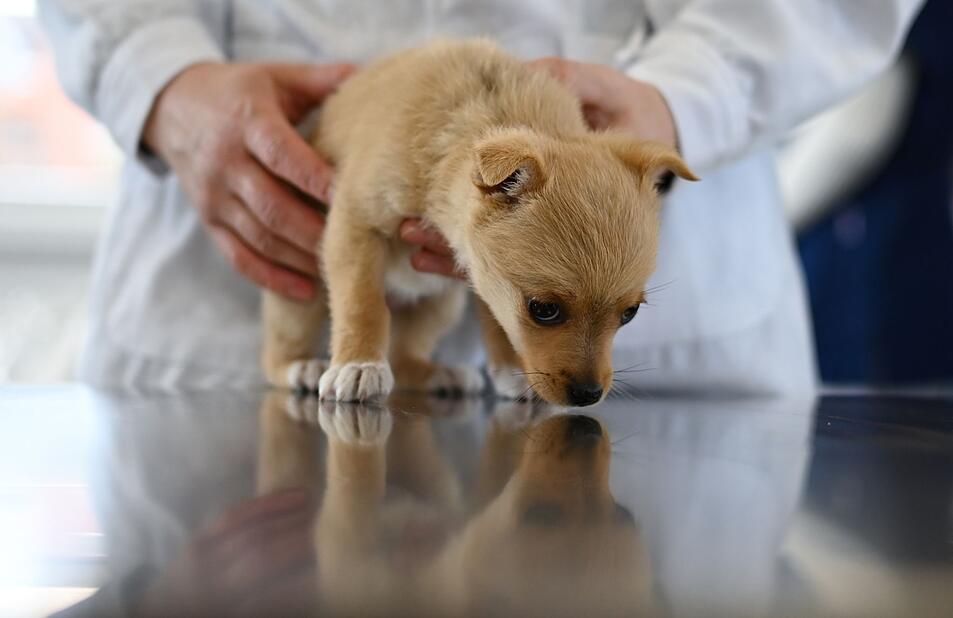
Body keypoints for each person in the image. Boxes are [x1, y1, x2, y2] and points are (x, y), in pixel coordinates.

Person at [39, 1, 923, 394]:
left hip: (686, 338)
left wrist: (699, 90)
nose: (596, 359)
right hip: (219, 302)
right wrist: (159, 76)